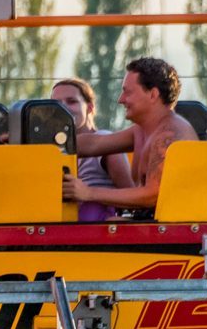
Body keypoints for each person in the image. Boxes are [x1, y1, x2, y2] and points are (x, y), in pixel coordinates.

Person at [63, 57, 196, 215]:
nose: (121, 99)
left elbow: (154, 195)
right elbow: (94, 144)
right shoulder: (141, 130)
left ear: (153, 94)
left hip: (173, 227)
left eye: (128, 92)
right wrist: (51, 142)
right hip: (152, 221)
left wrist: (89, 192)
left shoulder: (169, 134)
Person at [51, 76, 132, 222]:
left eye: (72, 101)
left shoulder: (106, 142)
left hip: (99, 227)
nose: (63, 108)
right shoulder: (52, 151)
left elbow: (131, 195)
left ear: (90, 107)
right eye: (56, 104)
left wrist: (89, 194)